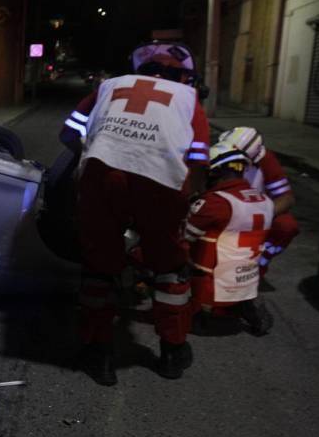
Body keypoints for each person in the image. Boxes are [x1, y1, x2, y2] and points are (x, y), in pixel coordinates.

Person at [59, 42, 211, 385]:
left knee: (99, 266)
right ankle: (172, 351)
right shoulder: (188, 99)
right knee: (169, 268)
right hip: (160, 182)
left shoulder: (109, 86)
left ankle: (99, 353)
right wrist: (188, 199)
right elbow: (199, 161)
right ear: (182, 75)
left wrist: (93, 155)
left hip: (102, 173)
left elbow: (68, 134)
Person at [184, 142, 275, 336]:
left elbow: (182, 238)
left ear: (215, 172)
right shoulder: (265, 201)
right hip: (246, 282)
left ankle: (197, 309)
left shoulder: (215, 203)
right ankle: (244, 304)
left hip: (211, 288)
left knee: (170, 247)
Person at [216, 127, 298, 275]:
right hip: (223, 209)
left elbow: (286, 198)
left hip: (254, 212)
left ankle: (258, 264)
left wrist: (262, 215)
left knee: (286, 225)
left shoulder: (265, 160)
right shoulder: (216, 156)